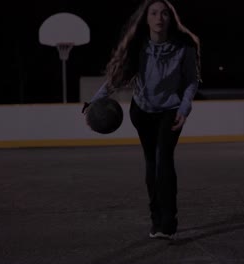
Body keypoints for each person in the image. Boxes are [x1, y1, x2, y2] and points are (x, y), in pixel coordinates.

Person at [83, 0, 201, 240]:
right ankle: (156, 219)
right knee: (151, 162)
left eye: (164, 13)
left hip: (171, 109)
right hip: (143, 112)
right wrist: (91, 105)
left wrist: (185, 107)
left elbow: (191, 80)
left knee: (164, 159)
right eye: (154, 13)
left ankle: (169, 220)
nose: (159, 18)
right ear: (146, 19)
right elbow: (114, 81)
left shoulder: (184, 47)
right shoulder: (138, 47)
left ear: (171, 18)